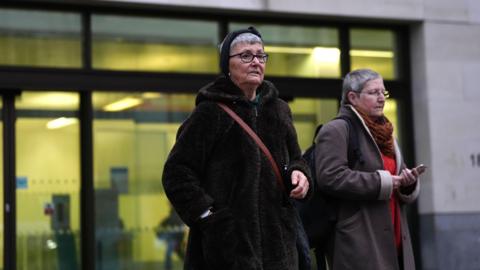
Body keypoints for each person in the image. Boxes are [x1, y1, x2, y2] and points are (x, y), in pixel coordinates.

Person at [162, 26, 312, 270]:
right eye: (246, 56)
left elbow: (297, 158)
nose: (255, 62)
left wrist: (301, 174)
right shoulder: (209, 113)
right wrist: (210, 218)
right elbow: (176, 173)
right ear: (227, 65)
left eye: (260, 55)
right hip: (226, 253)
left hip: (280, 249)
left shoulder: (279, 110)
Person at [315, 68, 420, 270]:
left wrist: (408, 183)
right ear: (352, 97)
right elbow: (330, 176)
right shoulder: (336, 129)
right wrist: (382, 182)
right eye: (374, 93)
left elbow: (396, 176)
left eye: (384, 92)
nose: (381, 98)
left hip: (396, 242)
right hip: (360, 244)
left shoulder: (387, 134)